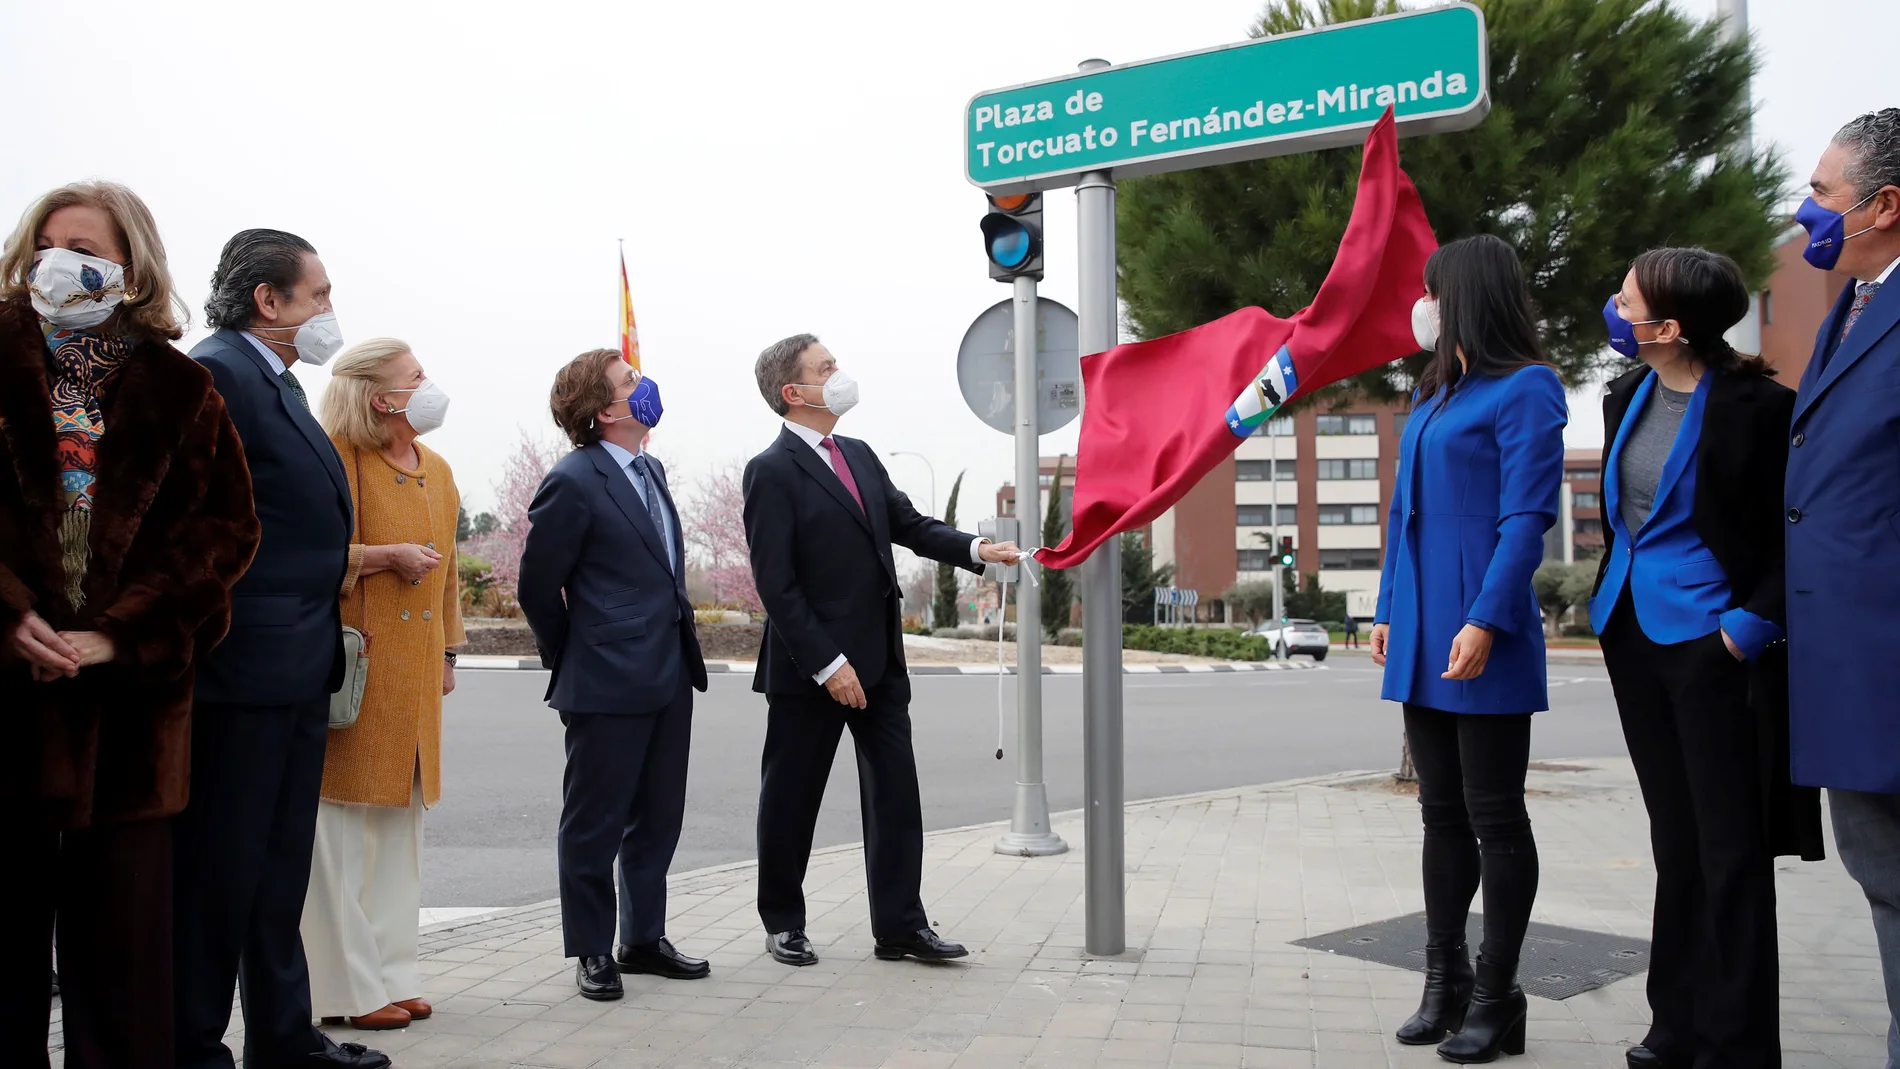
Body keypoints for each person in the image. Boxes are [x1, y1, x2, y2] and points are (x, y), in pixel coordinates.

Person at [0, 182, 258, 1069]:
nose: (55, 262)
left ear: (130, 267)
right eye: (45, 243)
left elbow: (225, 531)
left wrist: (125, 631)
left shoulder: (184, 388)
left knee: (124, 969)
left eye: (81, 247)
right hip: (8, 694)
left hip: (132, 718)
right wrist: (8, 612)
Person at [1591, 247, 1823, 1069]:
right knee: (1675, 840)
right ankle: (1676, 1023)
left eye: (1627, 299)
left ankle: (1737, 1042)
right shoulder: (1626, 394)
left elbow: (1796, 526)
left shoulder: (1761, 406)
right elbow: (1629, 518)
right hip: (1631, 632)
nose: (1614, 309)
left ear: (1670, 323)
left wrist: (1749, 624)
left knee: (1730, 847)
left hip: (1713, 643)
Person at [743, 334, 1022, 967]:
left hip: (881, 660)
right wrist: (827, 664)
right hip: (811, 668)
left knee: (896, 795)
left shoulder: (860, 456)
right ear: (794, 392)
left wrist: (977, 551)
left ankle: (900, 925)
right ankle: (783, 921)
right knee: (790, 799)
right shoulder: (771, 470)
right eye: (826, 368)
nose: (839, 374)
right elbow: (777, 586)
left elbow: (911, 525)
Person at [179, 230, 387, 1069]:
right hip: (242, 670)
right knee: (219, 873)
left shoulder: (280, 383)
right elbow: (193, 525)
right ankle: (191, 1044)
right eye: (321, 294)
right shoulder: (218, 374)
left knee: (276, 871)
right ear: (270, 301)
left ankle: (283, 1036)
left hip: (295, 665)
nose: (331, 310)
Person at [1371, 235, 1566, 1064]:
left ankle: (1497, 993)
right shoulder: (1435, 394)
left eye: (1434, 292)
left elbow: (1527, 519)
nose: (1424, 306)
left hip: (1481, 630)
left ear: (1468, 297)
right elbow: (1399, 518)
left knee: (1495, 817)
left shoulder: (1528, 388)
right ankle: (1442, 981)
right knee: (1439, 814)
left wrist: (1486, 618)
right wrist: (1385, 608)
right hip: (1420, 630)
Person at [518, 350, 708, 1001]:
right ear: (605, 410)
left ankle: (643, 938)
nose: (645, 384)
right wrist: (576, 653)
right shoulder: (573, 479)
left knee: (658, 817)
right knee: (594, 824)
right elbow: (538, 587)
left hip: (668, 673)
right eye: (630, 381)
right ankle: (594, 948)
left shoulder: (649, 468)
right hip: (604, 680)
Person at [300, 338, 464, 1031]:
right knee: (337, 835)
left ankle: (393, 972)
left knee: (400, 830)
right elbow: (303, 552)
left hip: (416, 672)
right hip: (355, 670)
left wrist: (452, 650)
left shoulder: (439, 468)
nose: (428, 387)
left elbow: (451, 571)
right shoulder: (337, 455)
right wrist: (377, 557)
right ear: (380, 397)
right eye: (415, 378)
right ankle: (342, 987)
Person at [1784, 107, 1900, 1068]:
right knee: (1884, 880)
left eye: (1822, 194)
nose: (1806, 212)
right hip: (1852, 668)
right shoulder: (1848, 312)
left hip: (1888, 658)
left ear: (1885, 204)